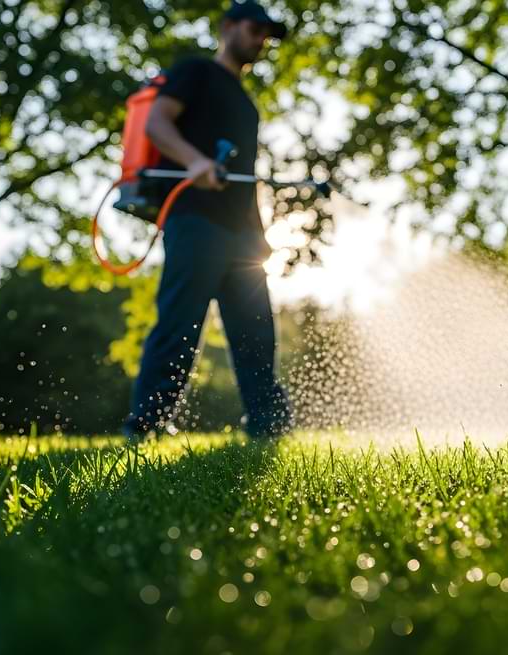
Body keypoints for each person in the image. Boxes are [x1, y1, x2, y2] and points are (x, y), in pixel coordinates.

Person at [123, 1, 293, 441]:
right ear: (229, 27)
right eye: (256, 29)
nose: (261, 40)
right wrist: (196, 161)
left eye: (267, 35)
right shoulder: (196, 71)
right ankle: (146, 427)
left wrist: (261, 237)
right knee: (180, 325)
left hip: (244, 236)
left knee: (257, 334)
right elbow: (158, 125)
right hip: (194, 220)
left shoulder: (248, 106)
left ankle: (267, 427)